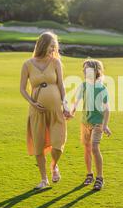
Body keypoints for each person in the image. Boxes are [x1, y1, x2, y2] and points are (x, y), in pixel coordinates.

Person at [20, 32, 71, 190]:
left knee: (58, 144)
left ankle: (54, 165)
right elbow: (22, 89)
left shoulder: (55, 62)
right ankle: (44, 180)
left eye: (55, 46)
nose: (54, 49)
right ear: (42, 45)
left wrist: (66, 104)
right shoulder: (27, 64)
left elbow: (61, 85)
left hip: (56, 110)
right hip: (37, 112)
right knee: (39, 145)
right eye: (51, 46)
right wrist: (33, 103)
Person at [71, 59, 112, 191]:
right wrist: (70, 111)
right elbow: (76, 102)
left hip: (97, 123)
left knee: (95, 148)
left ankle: (100, 178)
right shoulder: (83, 86)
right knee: (87, 149)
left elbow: (107, 109)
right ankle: (89, 174)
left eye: (87, 68)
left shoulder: (102, 88)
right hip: (85, 122)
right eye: (83, 68)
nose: (84, 71)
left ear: (96, 71)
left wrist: (105, 125)